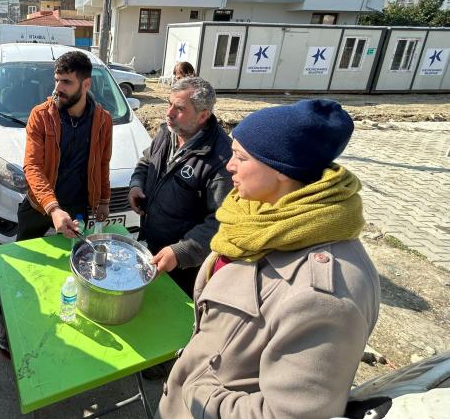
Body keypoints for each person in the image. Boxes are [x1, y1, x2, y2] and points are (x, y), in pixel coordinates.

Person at [156, 99, 380, 418]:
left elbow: (286, 414)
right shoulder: (256, 217)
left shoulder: (325, 297)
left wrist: (198, 389)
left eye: (240, 157)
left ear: (282, 171)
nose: (229, 165)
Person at [129, 77, 233, 297]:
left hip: (184, 269)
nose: (169, 113)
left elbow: (222, 220)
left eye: (179, 108)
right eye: (169, 104)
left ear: (203, 115)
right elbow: (147, 161)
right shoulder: (168, 132)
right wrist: (136, 184)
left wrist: (181, 252)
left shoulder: (222, 159)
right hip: (149, 246)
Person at [19, 50, 113, 240]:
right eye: (57, 80)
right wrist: (53, 208)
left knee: (73, 258)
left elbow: (103, 162)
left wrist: (103, 200)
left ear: (86, 84)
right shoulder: (41, 116)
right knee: (29, 259)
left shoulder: (103, 120)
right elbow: (32, 166)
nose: (58, 88)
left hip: (77, 206)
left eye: (67, 82)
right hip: (39, 204)